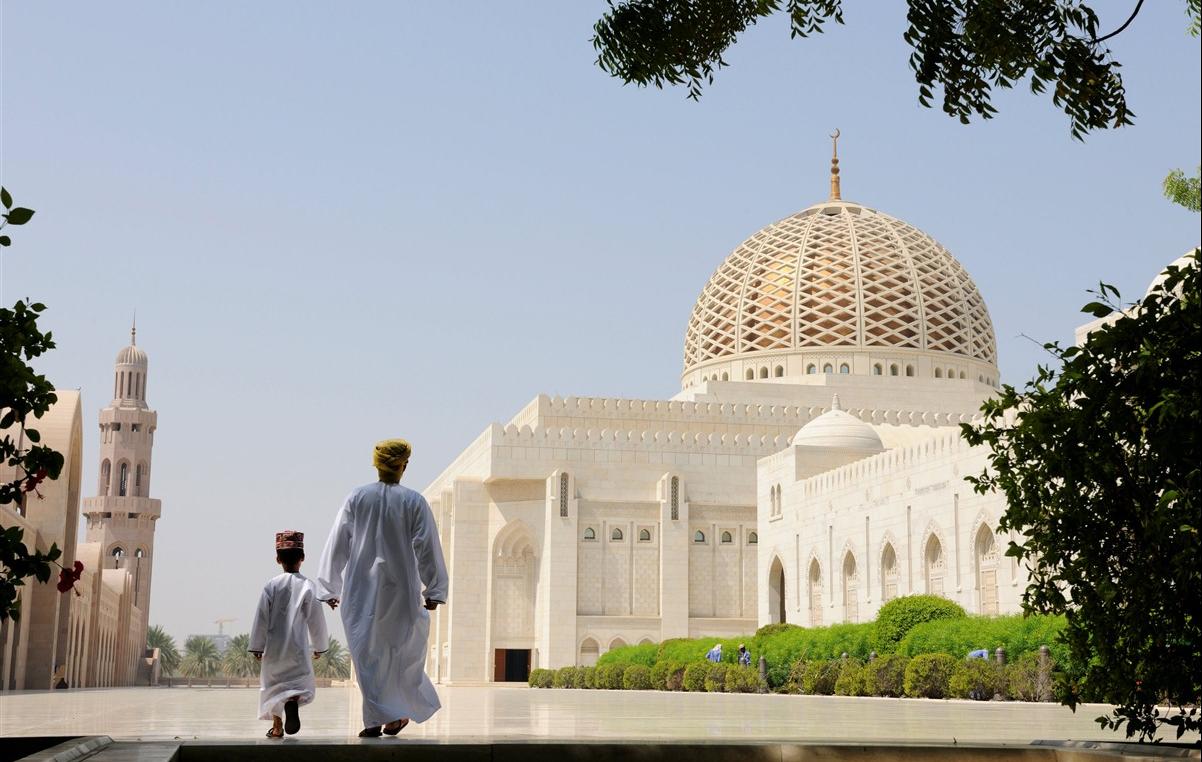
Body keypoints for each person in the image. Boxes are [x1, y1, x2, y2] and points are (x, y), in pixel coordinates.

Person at [316, 438, 448, 738]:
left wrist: (329, 587)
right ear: (404, 466)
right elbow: (427, 547)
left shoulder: (356, 497)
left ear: (377, 465)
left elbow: (338, 541)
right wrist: (435, 590)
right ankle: (387, 715)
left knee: (368, 656)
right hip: (400, 591)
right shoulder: (414, 501)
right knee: (401, 654)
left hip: (361, 592)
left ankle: (383, 716)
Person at [249, 530, 329, 739]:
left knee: (273, 688)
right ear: (302, 558)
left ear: (278, 559)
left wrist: (257, 646)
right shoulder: (308, 586)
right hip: (297, 649)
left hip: (274, 650)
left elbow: (261, 617)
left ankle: (277, 726)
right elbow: (316, 620)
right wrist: (320, 646)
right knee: (297, 683)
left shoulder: (271, 586)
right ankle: (292, 702)